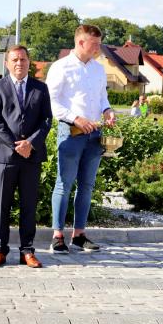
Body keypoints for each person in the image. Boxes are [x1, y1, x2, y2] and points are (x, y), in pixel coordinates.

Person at [46, 24, 116, 253]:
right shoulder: (61, 67)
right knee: (64, 184)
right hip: (71, 132)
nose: (98, 48)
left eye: (99, 44)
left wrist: (107, 110)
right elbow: (51, 102)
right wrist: (75, 118)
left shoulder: (98, 69)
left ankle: (79, 235)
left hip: (95, 134)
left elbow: (102, 97)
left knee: (87, 186)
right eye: (95, 44)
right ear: (81, 42)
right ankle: (57, 235)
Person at [0, 45, 52, 268]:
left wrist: (30, 143)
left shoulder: (41, 88)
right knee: (1, 206)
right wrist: (16, 145)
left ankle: (27, 251)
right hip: (5, 156)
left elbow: (46, 120)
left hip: (32, 155)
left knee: (29, 205)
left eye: (23, 59)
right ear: (7, 64)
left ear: (29, 62)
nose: (19, 63)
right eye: (14, 60)